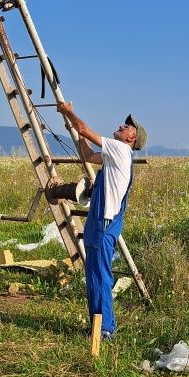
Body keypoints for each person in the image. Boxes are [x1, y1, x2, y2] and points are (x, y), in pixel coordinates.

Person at [50, 105, 147, 340]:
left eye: (127, 126)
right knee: (93, 273)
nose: (121, 126)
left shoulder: (121, 150)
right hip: (99, 220)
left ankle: (106, 329)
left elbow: (84, 130)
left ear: (131, 138)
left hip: (105, 222)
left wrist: (67, 112)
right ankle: (97, 325)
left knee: (101, 274)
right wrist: (73, 128)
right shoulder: (114, 155)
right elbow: (87, 155)